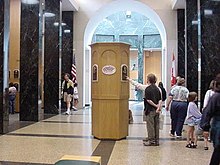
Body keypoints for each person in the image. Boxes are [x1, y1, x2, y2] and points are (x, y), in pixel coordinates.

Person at [200, 74, 220, 165]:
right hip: (218, 126)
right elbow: (207, 112)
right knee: (218, 150)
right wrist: (206, 127)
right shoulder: (216, 97)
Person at [143, 74, 162, 146]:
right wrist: (158, 107)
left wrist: (155, 105)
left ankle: (151, 140)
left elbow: (148, 100)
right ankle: (156, 140)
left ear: (148, 80)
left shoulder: (147, 89)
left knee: (150, 125)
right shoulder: (157, 89)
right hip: (157, 111)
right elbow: (160, 100)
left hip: (150, 110)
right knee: (156, 125)